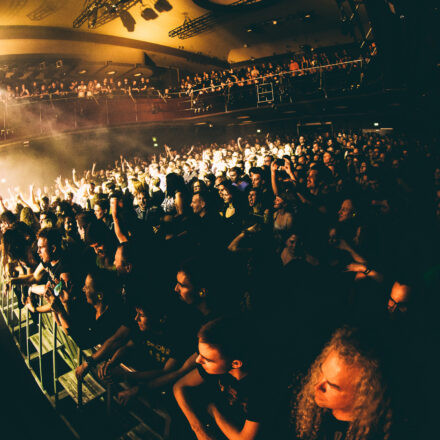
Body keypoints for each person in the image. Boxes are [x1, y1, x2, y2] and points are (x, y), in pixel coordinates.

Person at [173, 315, 280, 440]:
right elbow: (179, 386)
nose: (198, 360)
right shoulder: (215, 366)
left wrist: (214, 411)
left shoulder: (260, 388)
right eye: (200, 354)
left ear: (235, 363)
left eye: (206, 359)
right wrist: (198, 428)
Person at [295, 326, 393, 440]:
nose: (316, 386)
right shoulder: (310, 414)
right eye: (321, 372)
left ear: (363, 395)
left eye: (331, 385)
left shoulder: (381, 434)